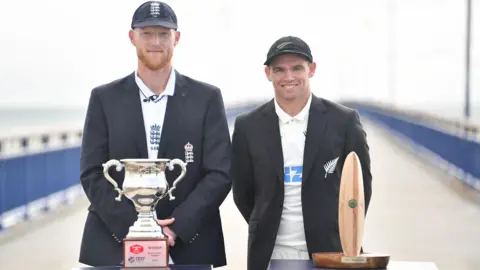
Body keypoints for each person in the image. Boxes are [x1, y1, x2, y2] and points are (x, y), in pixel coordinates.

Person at [78, 1, 232, 267]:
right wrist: (136, 228)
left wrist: (176, 227)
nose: (156, 41)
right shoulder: (104, 98)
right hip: (115, 244)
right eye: (147, 33)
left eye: (164, 33)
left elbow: (220, 173)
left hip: (188, 245)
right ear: (132, 37)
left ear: (177, 38)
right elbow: (91, 171)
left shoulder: (206, 98)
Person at [231, 36, 373, 270]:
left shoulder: (344, 121)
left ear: (312, 69)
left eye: (297, 68)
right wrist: (266, 224)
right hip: (269, 254)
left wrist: (342, 231)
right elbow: (242, 193)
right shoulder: (248, 126)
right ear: (268, 73)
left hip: (331, 252)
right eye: (279, 70)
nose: (288, 77)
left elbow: (361, 188)